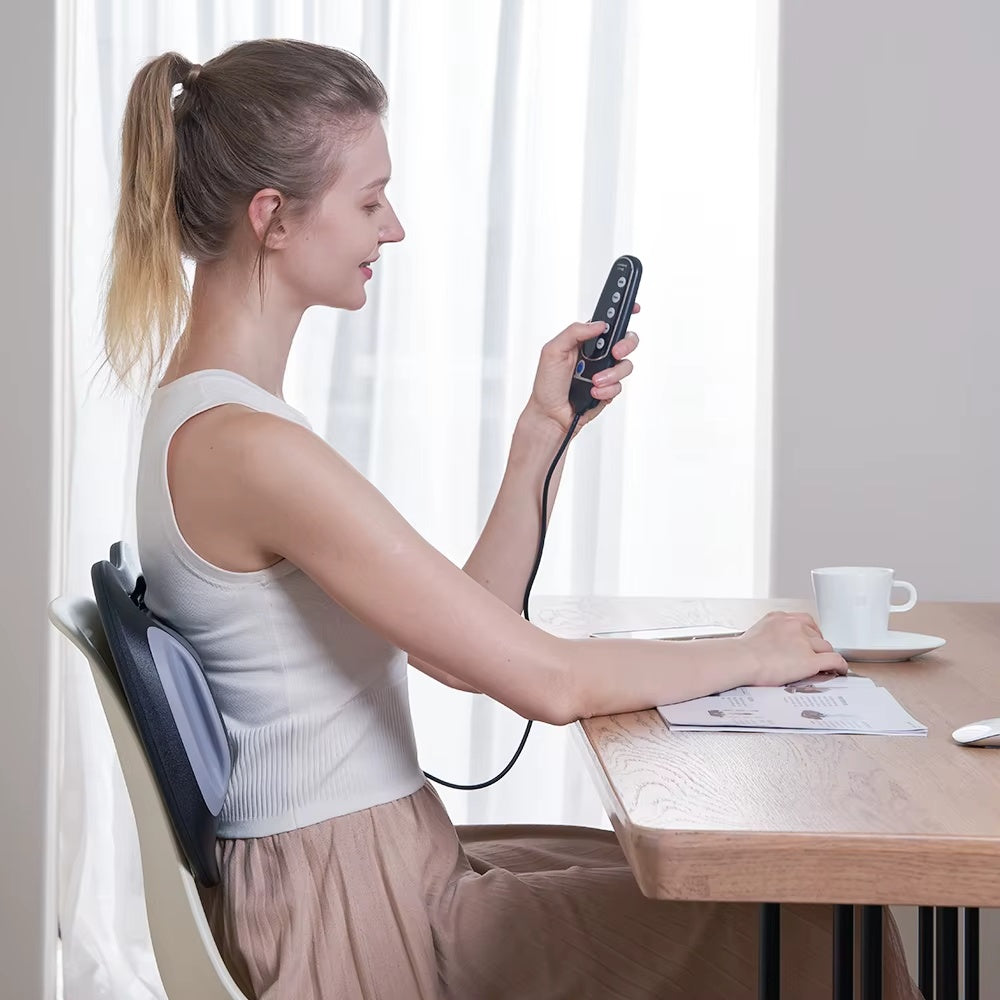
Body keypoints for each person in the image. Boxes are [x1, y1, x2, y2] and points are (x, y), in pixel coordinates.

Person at [102, 39, 919, 1000]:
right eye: (369, 201)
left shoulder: (216, 419)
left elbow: (459, 649)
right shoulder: (248, 447)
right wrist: (753, 652)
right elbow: (548, 682)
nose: (394, 227)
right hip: (356, 912)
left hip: (361, 867)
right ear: (273, 218)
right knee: (824, 926)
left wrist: (542, 432)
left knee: (703, 878)